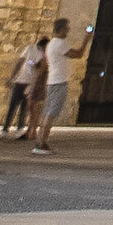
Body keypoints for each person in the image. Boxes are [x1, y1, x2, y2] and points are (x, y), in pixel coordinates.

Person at [30, 17, 72, 153]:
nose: (69, 30)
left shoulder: (52, 44)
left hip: (52, 81)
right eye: (67, 27)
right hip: (58, 82)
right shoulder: (60, 43)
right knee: (51, 113)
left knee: (47, 112)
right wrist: (86, 39)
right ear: (62, 29)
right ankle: (41, 144)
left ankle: (40, 142)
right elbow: (78, 54)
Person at [1, 39, 42, 137]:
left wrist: (34, 64)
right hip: (21, 81)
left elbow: (40, 67)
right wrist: (13, 76)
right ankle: (5, 128)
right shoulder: (30, 48)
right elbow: (20, 61)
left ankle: (19, 127)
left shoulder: (43, 54)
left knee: (24, 106)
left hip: (30, 82)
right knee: (13, 105)